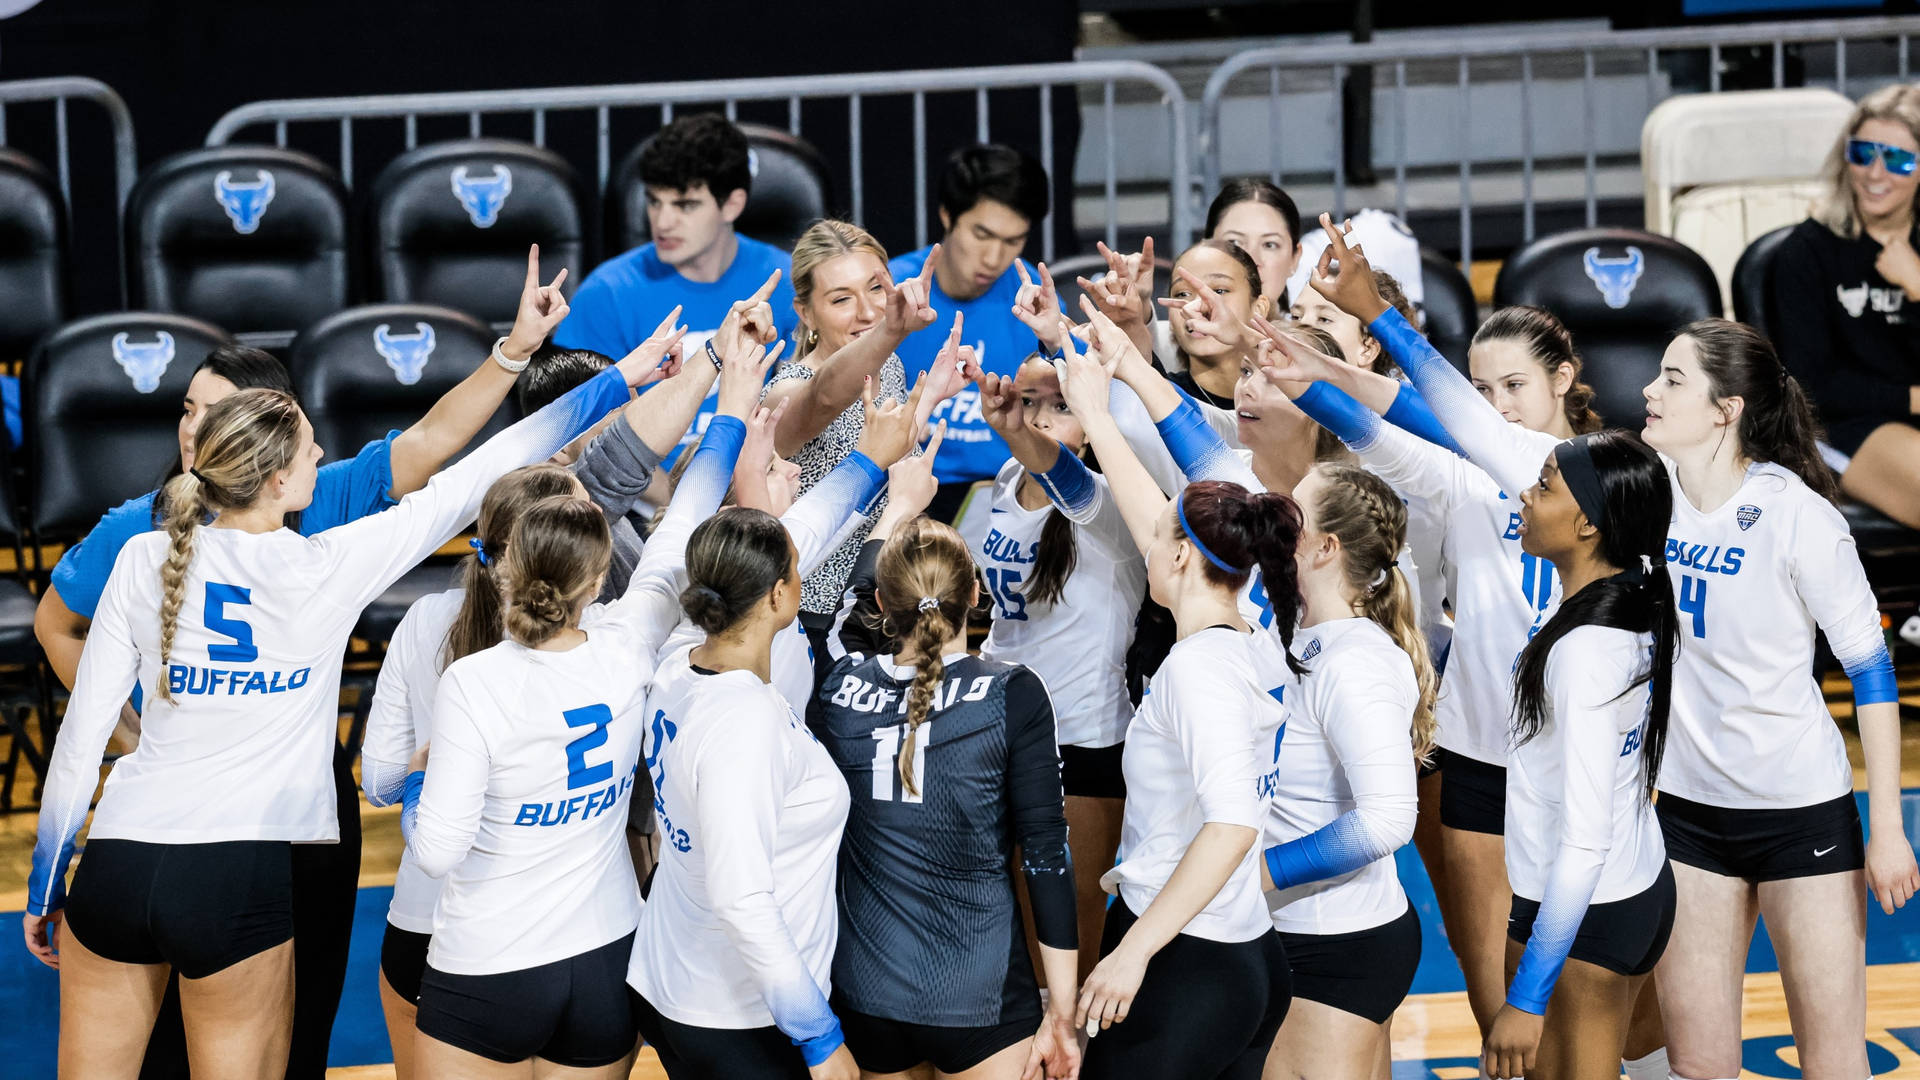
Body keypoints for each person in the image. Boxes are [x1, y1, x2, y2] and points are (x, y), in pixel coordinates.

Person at [21, 326, 673, 1079]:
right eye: (307, 452)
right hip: (236, 876)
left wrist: (45, 882)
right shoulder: (328, 564)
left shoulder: (142, 553)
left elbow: (79, 740)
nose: (322, 459)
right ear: (274, 481)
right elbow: (475, 476)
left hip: (117, 866)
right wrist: (618, 378)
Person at [397, 347, 762, 1077]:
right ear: (599, 579)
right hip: (606, 957)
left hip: (488, 963)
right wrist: (731, 404)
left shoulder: (472, 682)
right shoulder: (629, 645)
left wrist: (415, 782)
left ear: (502, 562)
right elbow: (687, 511)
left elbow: (435, 850)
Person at [1636, 320, 1918, 1080]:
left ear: (1726, 409)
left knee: (1834, 1065)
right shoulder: (1647, 494)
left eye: (1671, 379)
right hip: (1689, 817)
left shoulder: (1800, 516)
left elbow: (1872, 669)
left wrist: (1886, 827)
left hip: (1802, 817)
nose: (1648, 392)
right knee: (1698, 1068)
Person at [1051, 340, 1299, 1080]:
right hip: (1240, 955)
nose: (1147, 543)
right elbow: (1156, 514)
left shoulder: (1200, 670)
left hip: (1185, 961)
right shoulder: (1254, 629)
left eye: (1160, 540)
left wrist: (1131, 953)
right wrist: (1094, 412)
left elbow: (1232, 824)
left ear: (1186, 557)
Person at [812, 507, 1081, 1080]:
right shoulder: (1015, 692)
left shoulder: (838, 686)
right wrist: (1061, 1010)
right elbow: (1045, 858)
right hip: (978, 995)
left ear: (883, 603)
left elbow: (834, 619)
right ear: (977, 594)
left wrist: (891, 513)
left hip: (865, 990)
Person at [626, 510, 865, 1080]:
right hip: (737, 1016)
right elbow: (741, 897)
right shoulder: (744, 721)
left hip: (677, 974)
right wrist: (820, 1037)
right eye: (798, 570)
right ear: (779, 594)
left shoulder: (680, 668)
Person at [1480, 431, 1679, 1080]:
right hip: (1640, 883)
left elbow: (1584, 840)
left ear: (1588, 523)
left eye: (1544, 486)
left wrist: (1526, 1000)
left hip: (1583, 912)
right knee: (1647, 1064)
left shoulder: (1585, 651)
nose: (1526, 496)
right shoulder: (1635, 599)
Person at [1257, 463, 1437, 1080]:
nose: (1274, 519)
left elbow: (1387, 819)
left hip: (1332, 943)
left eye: (1291, 513)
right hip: (1297, 930)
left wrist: (1256, 875)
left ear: (1325, 547)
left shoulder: (1357, 662)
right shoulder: (1303, 631)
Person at [972, 353, 1147, 980]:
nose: (1039, 417)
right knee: (1006, 948)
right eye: (1029, 399)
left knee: (1065, 958)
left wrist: (1015, 427)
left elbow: (1065, 478)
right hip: (995, 734)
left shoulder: (1111, 505)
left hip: (1080, 744)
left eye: (1062, 405)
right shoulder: (1004, 475)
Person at [762, 219, 966, 662]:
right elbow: (826, 395)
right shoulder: (788, 389)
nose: (868, 312)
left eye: (876, 289)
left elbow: (886, 453)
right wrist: (890, 331)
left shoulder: (889, 366)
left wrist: (930, 396)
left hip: (884, 602)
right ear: (805, 312)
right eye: (840, 299)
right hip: (813, 618)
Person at [556, 112, 800, 461]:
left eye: (685, 205)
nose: (662, 222)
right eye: (655, 202)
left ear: (732, 204)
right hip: (642, 502)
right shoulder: (607, 294)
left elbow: (807, 410)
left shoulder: (787, 281)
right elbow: (576, 433)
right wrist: (682, 503)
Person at [1769, 83, 1920, 529]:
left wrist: (1917, 284)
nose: (1876, 173)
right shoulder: (1807, 252)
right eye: (1862, 153)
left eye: (1897, 159)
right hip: (1846, 426)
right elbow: (1809, 385)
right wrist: (1912, 398)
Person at [887, 144, 1055, 517]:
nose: (995, 258)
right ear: (947, 215)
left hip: (1012, 494)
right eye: (982, 234)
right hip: (905, 492)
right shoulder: (891, 290)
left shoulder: (1033, 297)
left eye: (1013, 241)